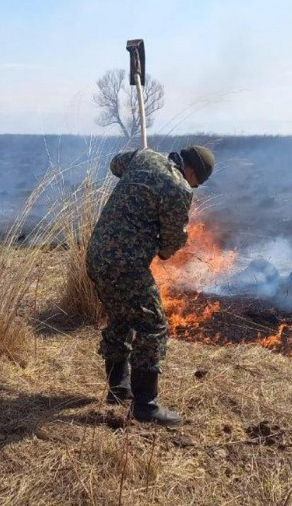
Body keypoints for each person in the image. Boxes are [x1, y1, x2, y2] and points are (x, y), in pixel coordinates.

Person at [86, 145, 215, 426]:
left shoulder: (144, 156)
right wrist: (165, 249)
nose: (194, 186)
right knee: (153, 326)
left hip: (97, 255)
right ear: (192, 171)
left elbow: (115, 165)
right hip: (126, 264)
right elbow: (171, 241)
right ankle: (146, 406)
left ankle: (119, 391)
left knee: (121, 318)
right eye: (197, 182)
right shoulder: (179, 189)